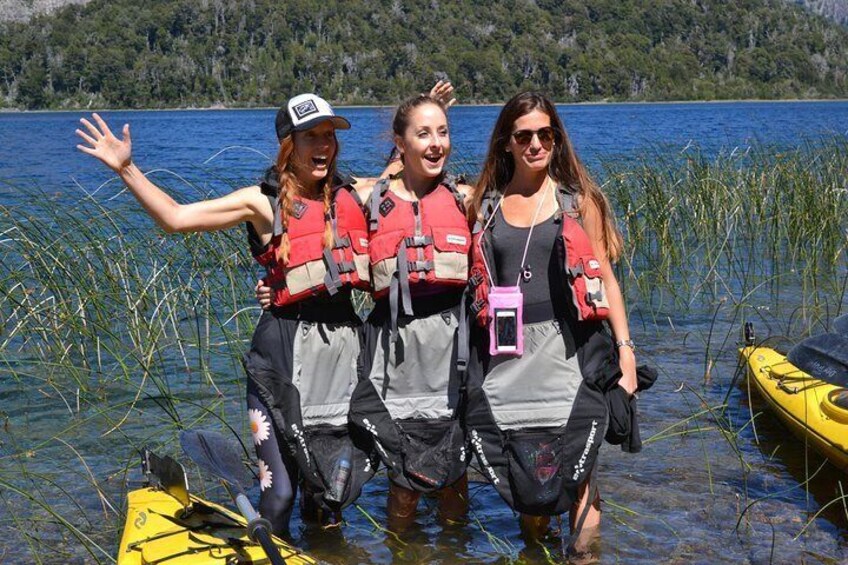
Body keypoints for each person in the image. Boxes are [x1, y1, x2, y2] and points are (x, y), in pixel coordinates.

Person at [76, 95, 376, 536]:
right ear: (288, 145)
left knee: (329, 496)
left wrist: (430, 109)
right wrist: (126, 168)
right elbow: (176, 218)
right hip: (279, 362)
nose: (324, 145)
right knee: (280, 495)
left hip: (339, 364)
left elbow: (416, 171)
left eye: (329, 136)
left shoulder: (358, 193)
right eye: (311, 135)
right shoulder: (260, 202)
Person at [463, 91, 640, 555]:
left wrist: (626, 353)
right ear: (507, 142)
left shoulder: (580, 203)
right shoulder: (484, 205)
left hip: (571, 354)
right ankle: (534, 551)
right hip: (508, 361)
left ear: (557, 140)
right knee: (527, 485)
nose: (536, 144)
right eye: (525, 136)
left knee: (581, 480)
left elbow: (607, 277)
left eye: (546, 134)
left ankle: (583, 557)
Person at [347, 93, 474, 530]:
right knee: (403, 479)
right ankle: (404, 551)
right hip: (396, 353)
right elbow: (299, 215)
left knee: (455, 475)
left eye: (443, 131)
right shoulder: (369, 196)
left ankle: (456, 554)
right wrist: (272, 282)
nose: (436, 142)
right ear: (399, 144)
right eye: (423, 134)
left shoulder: (465, 198)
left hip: (454, 351)